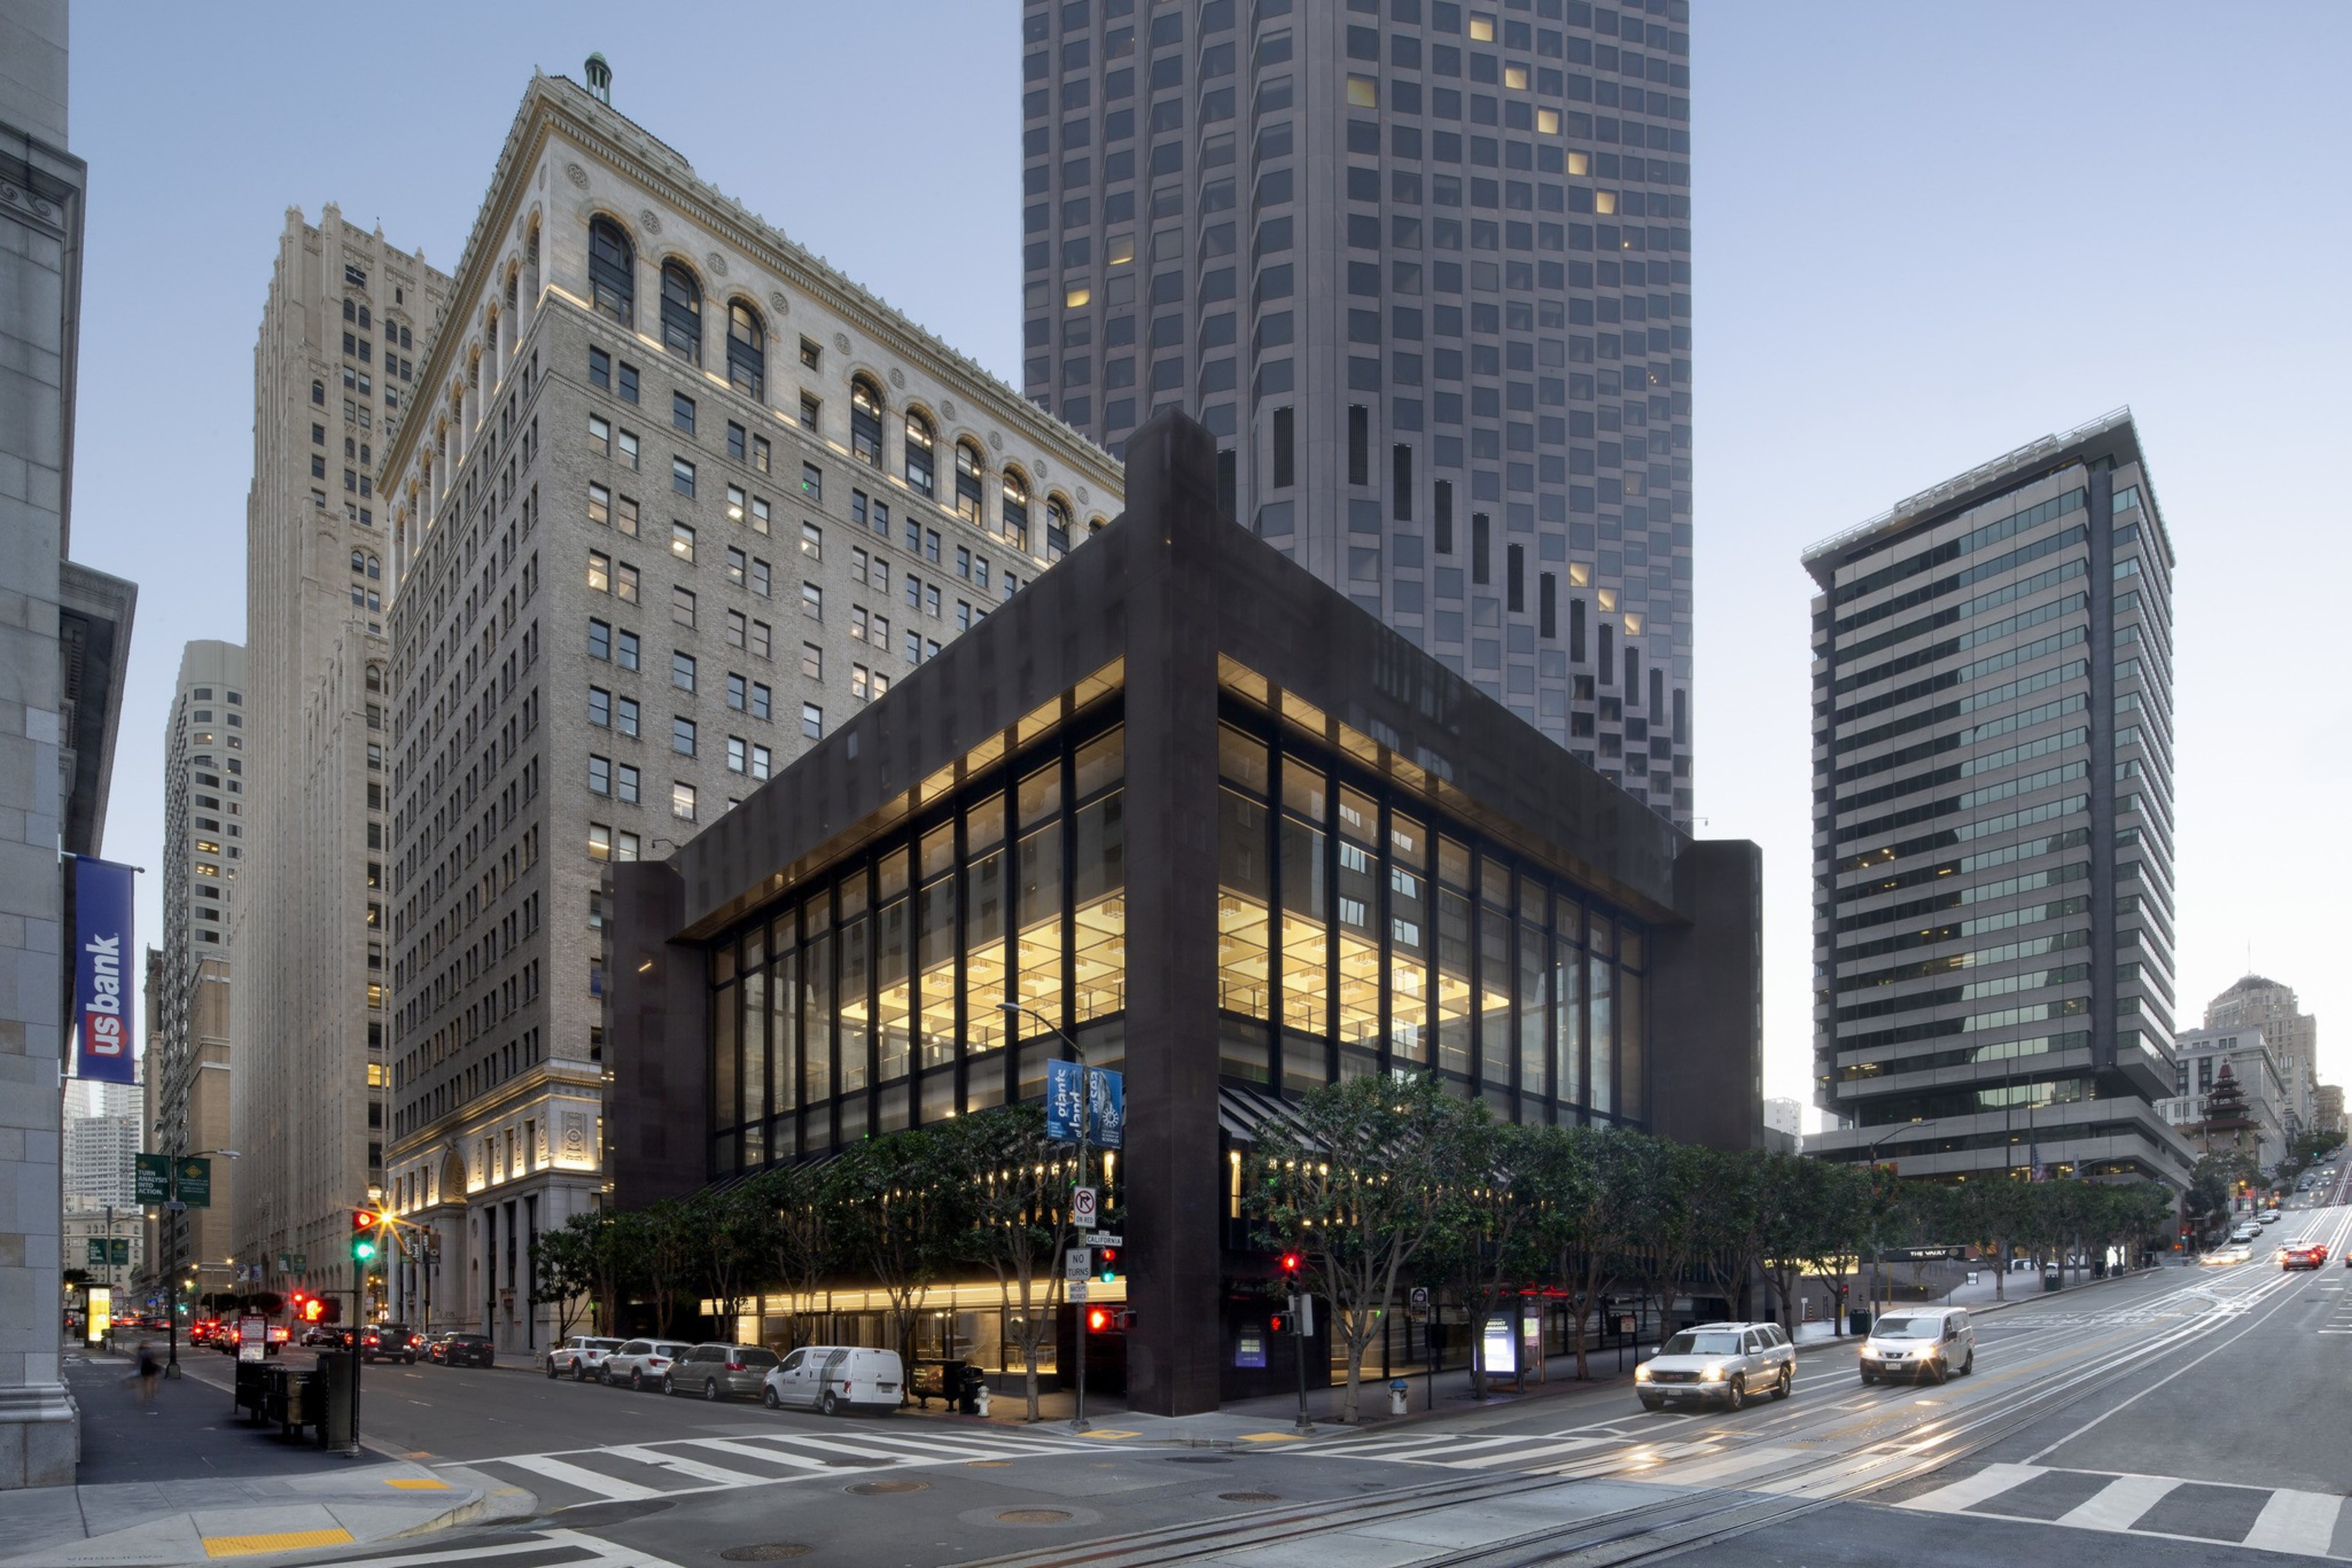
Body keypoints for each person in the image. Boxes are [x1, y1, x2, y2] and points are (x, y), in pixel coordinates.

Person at [135, 1339, 164, 1408]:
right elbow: (154, 1360)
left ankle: (147, 1396)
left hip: (144, 1368)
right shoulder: (150, 1351)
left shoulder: (140, 1352)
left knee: (146, 1383)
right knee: (153, 1381)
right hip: (151, 1368)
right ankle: (152, 1395)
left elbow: (138, 1361)